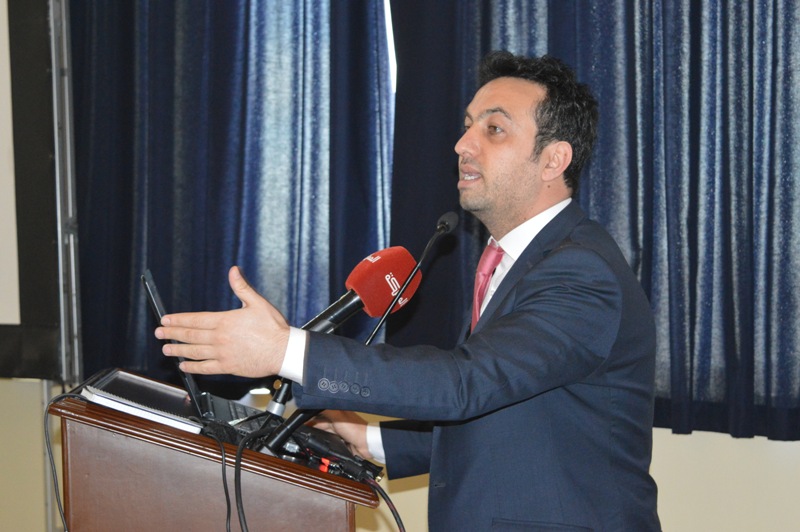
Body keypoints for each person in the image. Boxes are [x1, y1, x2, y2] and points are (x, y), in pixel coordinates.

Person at [156, 51, 661, 530]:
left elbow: (466, 383)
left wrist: (284, 349)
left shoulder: (580, 271)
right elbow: (515, 417)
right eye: (467, 125)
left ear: (553, 160)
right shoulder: (518, 259)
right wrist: (372, 440)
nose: (463, 145)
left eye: (493, 129)